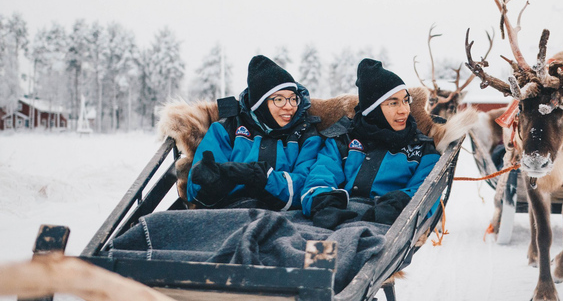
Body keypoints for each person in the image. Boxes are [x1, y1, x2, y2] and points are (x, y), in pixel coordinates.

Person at [301, 58, 441, 229]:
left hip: (387, 225)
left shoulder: (422, 149)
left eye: (406, 101)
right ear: (373, 108)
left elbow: (425, 191)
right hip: (338, 216)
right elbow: (321, 176)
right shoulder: (342, 140)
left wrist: (393, 206)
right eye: (393, 103)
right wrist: (324, 203)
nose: (404, 110)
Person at [187, 55, 323, 210]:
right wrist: (212, 184)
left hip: (287, 215)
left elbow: (307, 186)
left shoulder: (305, 134)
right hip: (232, 214)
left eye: (293, 99)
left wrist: (264, 178)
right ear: (259, 103)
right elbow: (195, 190)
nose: (289, 106)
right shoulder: (226, 129)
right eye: (279, 99)